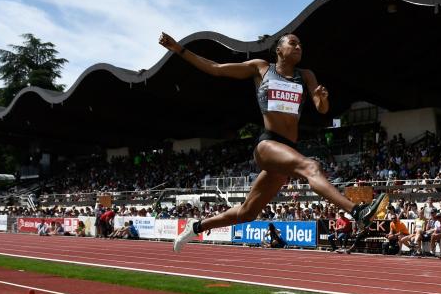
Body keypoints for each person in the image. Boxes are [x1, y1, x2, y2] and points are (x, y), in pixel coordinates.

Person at [159, 32, 386, 253]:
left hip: (287, 150)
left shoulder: (305, 75)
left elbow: (321, 108)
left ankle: (196, 227)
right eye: (293, 43)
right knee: (311, 166)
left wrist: (322, 98)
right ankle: (357, 211)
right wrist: (179, 49)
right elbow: (215, 69)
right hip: (267, 145)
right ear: (279, 49)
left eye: (301, 45)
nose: (298, 47)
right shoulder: (262, 68)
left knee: (247, 213)